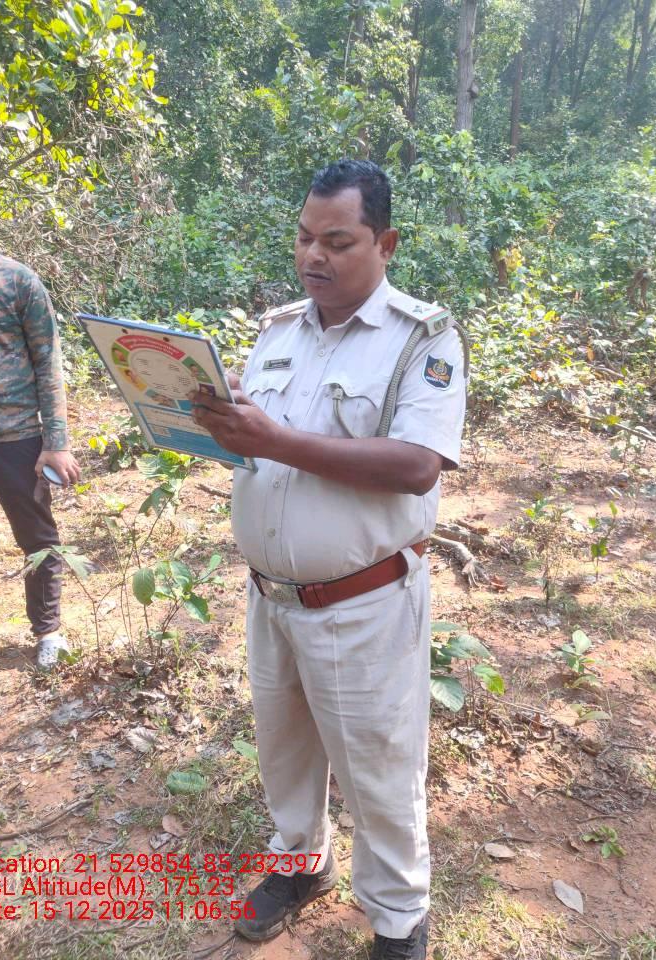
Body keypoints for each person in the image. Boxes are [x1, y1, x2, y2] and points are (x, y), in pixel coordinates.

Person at [192, 159, 467, 960]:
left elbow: (417, 464)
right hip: (272, 595)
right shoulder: (279, 331)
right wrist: (220, 417)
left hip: (363, 602)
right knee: (284, 752)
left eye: (338, 242)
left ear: (386, 243)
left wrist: (276, 438)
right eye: (305, 238)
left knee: (378, 770)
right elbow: (260, 448)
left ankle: (398, 920)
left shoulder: (422, 338)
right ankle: (300, 864)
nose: (314, 256)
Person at [0, 176, 81, 673]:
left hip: (16, 439)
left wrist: (57, 442)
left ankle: (48, 631)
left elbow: (48, 363)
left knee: (37, 539)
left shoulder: (17, 281)